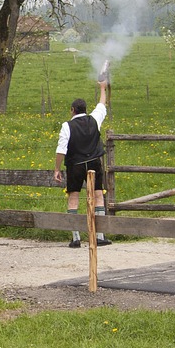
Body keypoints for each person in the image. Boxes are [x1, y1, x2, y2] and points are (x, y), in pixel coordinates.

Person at [53, 79, 112, 248]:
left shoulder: (67, 126)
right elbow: (102, 103)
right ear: (86, 110)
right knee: (99, 195)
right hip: (94, 162)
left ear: (72, 110)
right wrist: (102, 88)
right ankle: (99, 236)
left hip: (75, 165)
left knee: (73, 197)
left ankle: (76, 237)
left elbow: (61, 150)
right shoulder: (94, 119)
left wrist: (57, 168)